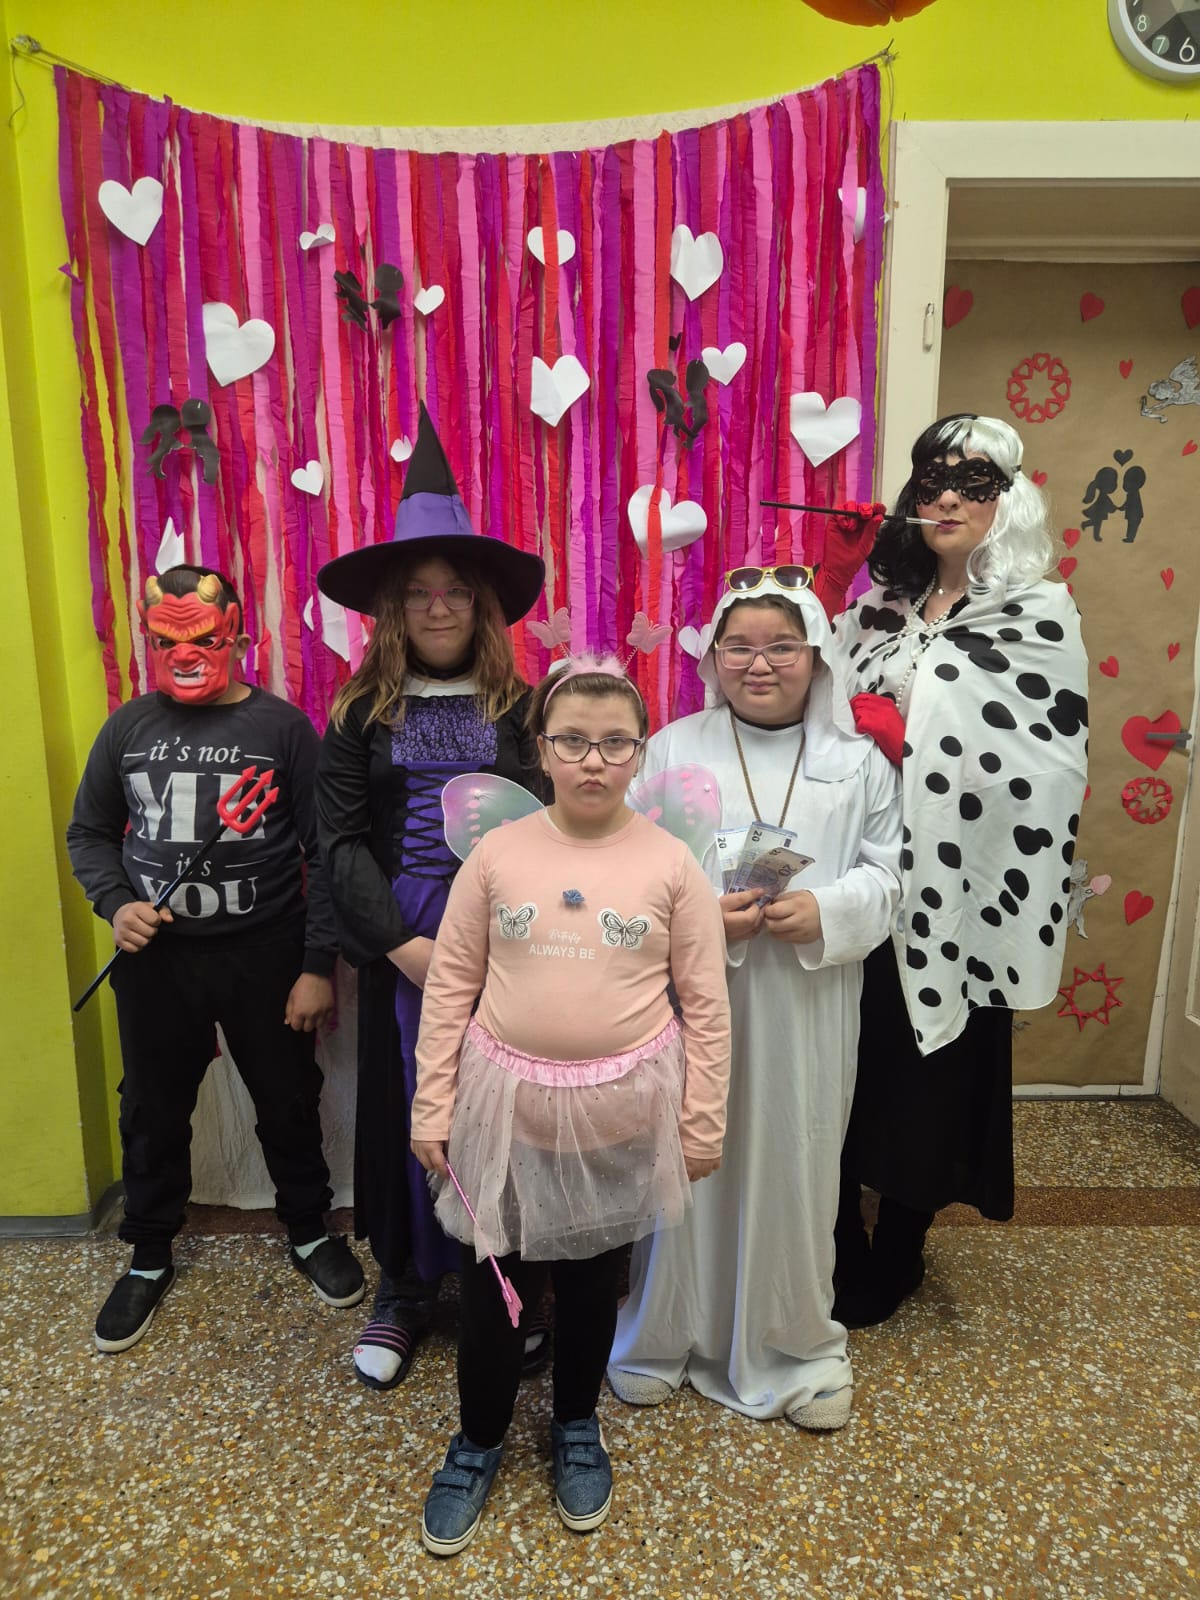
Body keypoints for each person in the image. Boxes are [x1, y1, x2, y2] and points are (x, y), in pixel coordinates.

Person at [409, 658, 730, 1556]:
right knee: (493, 1291)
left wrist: (702, 1120)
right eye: (574, 741)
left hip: (621, 1114)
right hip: (503, 1112)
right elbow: (451, 986)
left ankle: (576, 1425)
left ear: (639, 754)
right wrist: (431, 1104)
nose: (594, 760)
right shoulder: (498, 855)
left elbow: (706, 1005)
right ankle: (477, 1440)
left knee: (592, 1288)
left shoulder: (671, 864)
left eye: (615, 743)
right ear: (542, 751)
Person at [607, 571, 901, 1432]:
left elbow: (892, 875)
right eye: (738, 646)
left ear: (817, 657)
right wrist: (701, 915)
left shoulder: (857, 762)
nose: (759, 663)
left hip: (807, 1003)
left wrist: (828, 910)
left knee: (796, 1158)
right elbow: (624, 866)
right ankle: (664, 1334)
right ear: (713, 657)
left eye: (781, 646)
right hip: (691, 1001)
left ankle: (794, 1344)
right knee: (683, 1156)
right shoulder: (671, 750)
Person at [831, 413, 1089, 1326]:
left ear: (1008, 502)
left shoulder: (1036, 614)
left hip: (960, 892)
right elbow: (798, 693)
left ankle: (900, 1246)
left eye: (973, 483)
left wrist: (913, 742)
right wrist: (832, 573)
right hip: (863, 874)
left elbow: (1046, 765)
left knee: (926, 1071)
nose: (946, 497)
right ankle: (836, 1235)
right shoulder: (880, 606)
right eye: (931, 480)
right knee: (845, 1058)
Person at [67, 564, 362, 1354]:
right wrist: (116, 903)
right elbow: (89, 833)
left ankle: (308, 1228)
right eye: (165, 641)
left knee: (287, 1097)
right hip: (158, 962)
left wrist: (316, 965)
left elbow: (328, 852)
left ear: (236, 633)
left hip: (267, 953)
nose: (184, 655)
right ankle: (148, 1252)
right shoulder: (127, 727)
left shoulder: (283, 729)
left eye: (201, 637)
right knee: (151, 1108)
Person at [315, 405, 547, 1392]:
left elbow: (554, 824)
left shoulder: (523, 708)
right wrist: (405, 946)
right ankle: (407, 1283)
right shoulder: (358, 713)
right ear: (394, 609)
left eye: (455, 591)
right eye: (420, 592)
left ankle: (501, 1278)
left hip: (508, 940)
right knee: (413, 1103)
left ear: (481, 605)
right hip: (402, 938)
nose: (439, 607)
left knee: (501, 1107)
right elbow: (337, 843)